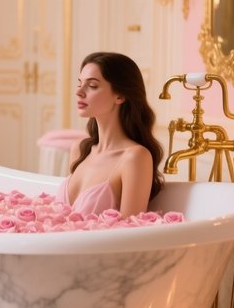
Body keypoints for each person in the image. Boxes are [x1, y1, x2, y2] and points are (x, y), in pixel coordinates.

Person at [56, 51, 164, 218]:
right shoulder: (80, 149)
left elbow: (131, 232)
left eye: (92, 86)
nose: (79, 92)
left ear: (120, 95)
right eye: (80, 84)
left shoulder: (135, 157)